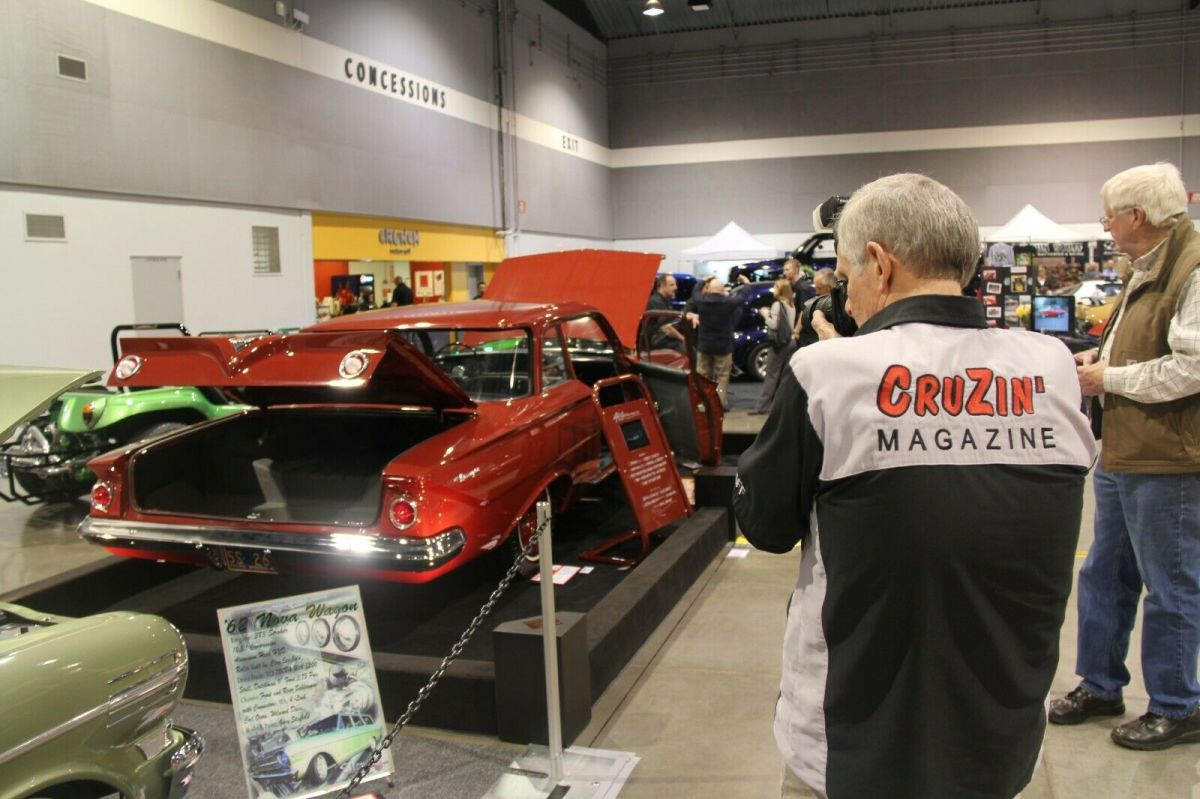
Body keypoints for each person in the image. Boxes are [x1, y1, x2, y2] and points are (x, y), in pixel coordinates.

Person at [733, 173, 1097, 799]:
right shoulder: (1053, 366)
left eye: (846, 278)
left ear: (879, 262)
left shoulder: (826, 372)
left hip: (849, 746)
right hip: (1001, 741)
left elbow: (763, 526)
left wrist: (832, 365)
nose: (845, 301)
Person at [1048, 162, 1200, 750]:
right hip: (1125, 451)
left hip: (1169, 459)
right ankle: (1101, 684)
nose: (1104, 225)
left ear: (1136, 216)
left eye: (1109, 215)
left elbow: (1192, 366)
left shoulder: (1190, 268)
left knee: (1172, 585)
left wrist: (1109, 378)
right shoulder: (1148, 267)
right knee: (1105, 573)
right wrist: (1100, 363)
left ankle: (1178, 704)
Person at [687, 275, 749, 410]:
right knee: (722, 376)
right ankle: (719, 403)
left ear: (709, 289)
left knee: (703, 375)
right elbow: (743, 296)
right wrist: (746, 283)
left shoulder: (701, 301)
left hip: (704, 346)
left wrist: (704, 279)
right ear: (722, 290)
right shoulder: (728, 302)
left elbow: (695, 291)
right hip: (723, 347)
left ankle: (703, 403)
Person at [750, 279, 795, 414]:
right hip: (790, 342)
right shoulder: (791, 305)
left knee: (771, 375)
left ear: (780, 289)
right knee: (782, 376)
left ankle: (762, 407)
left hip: (779, 344)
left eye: (775, 287)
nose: (773, 290)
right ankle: (779, 405)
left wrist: (765, 315)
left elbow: (774, 325)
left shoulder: (777, 304)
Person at [794, 268, 838, 347]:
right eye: (816, 288)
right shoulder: (819, 302)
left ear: (830, 287)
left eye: (819, 288)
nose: (817, 292)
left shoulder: (841, 305)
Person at [646, 274, 687, 350]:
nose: (676, 288)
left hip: (666, 340)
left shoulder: (666, 300)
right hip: (659, 342)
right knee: (691, 353)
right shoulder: (656, 302)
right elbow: (667, 328)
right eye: (672, 285)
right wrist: (683, 339)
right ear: (662, 286)